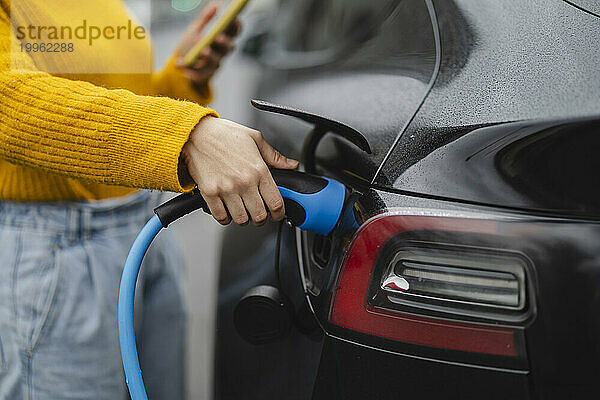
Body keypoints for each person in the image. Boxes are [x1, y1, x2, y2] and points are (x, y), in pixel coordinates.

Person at [0, 0, 298, 399]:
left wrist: (181, 79)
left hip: (139, 230)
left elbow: (111, 97)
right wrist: (184, 137)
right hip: (58, 253)